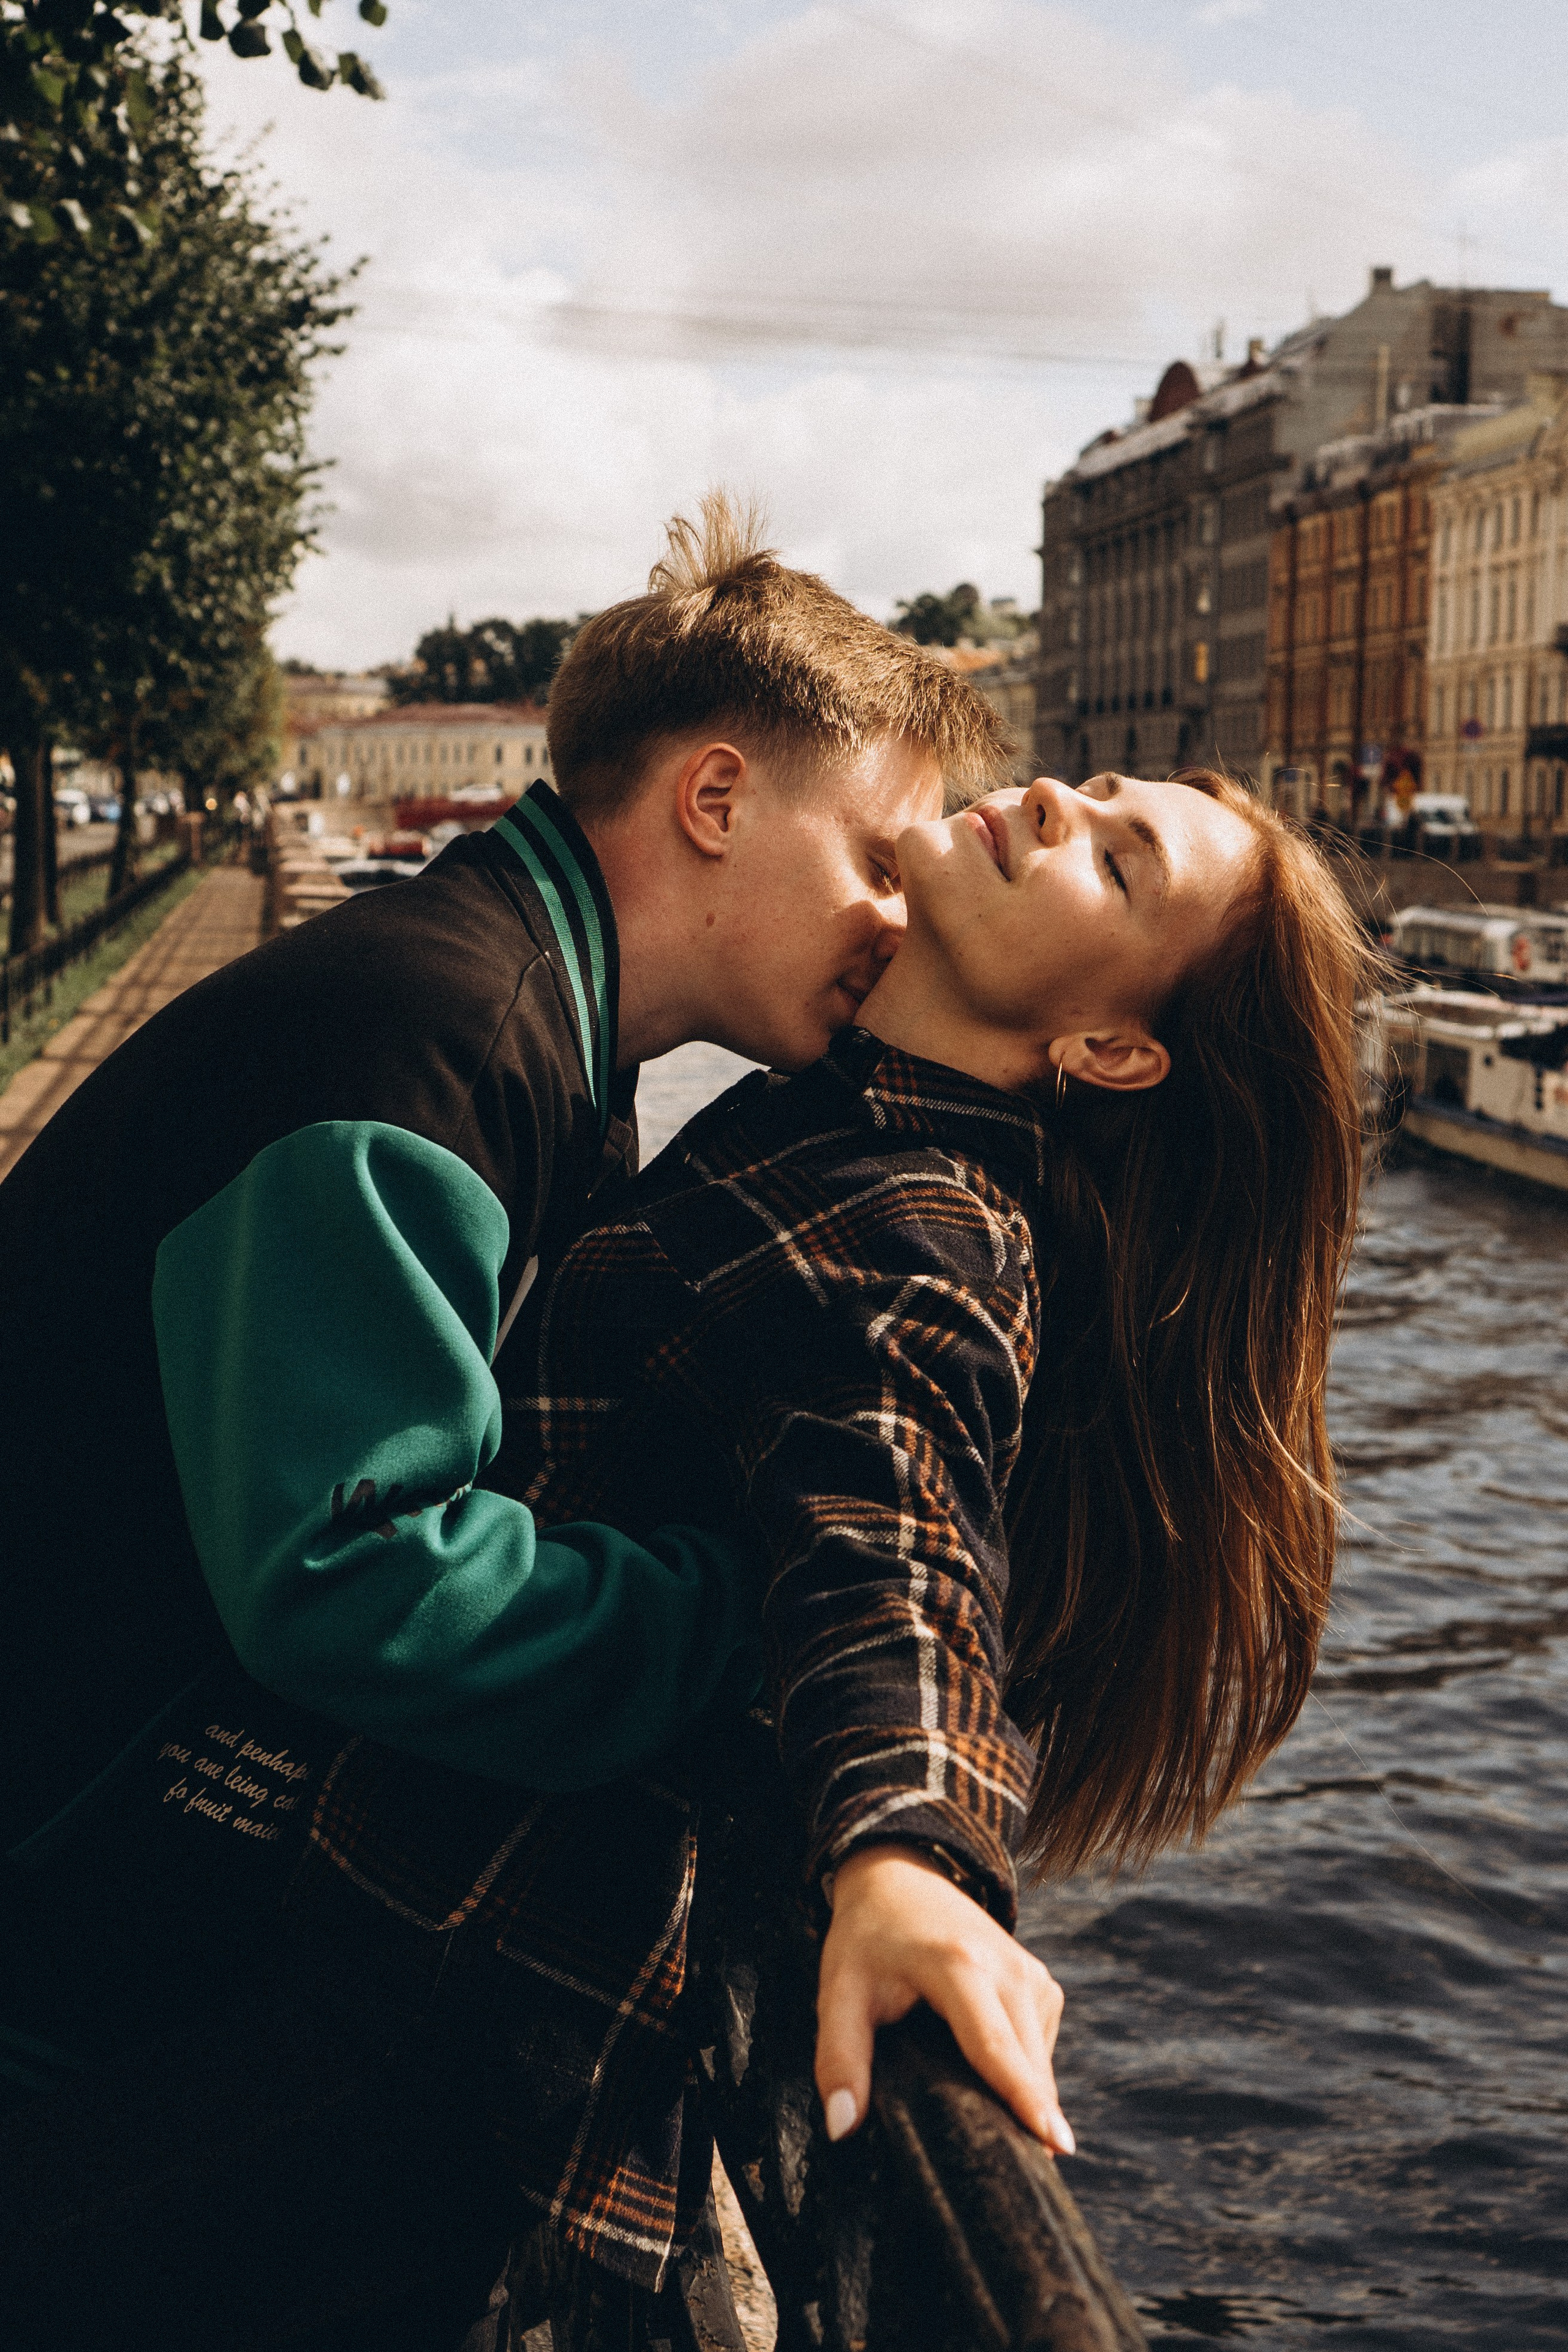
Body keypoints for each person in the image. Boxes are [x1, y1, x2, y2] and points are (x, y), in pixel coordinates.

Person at [0, 499, 1013, 2346]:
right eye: (877, 853)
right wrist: (744, 1611)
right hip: (59, 1863)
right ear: (717, 801)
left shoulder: (512, 1018)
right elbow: (356, 1574)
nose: (901, 911)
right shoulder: (430, 1045)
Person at [244, 752, 1375, 2345]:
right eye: (1096, 786)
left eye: (1117, 868)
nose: (1059, 804)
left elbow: (894, 1551)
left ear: (1112, 1046)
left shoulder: (926, 1228)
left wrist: (913, 1861)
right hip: (406, 1939)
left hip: (440, 2017)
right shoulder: (834, 1110)